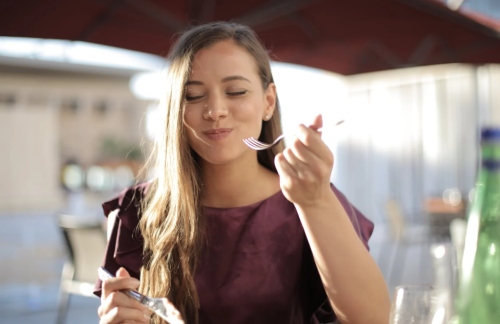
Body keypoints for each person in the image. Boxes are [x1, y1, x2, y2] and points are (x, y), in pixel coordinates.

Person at [94, 22, 390, 324]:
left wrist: (316, 202)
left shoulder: (311, 200)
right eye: (194, 96)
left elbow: (372, 319)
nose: (215, 110)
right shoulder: (137, 210)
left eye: (235, 91)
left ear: (268, 102)